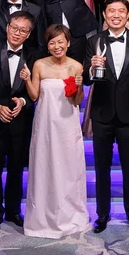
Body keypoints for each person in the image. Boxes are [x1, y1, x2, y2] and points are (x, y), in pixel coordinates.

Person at [84, 0, 129, 233]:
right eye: (111, 11)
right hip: (102, 114)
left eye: (120, 11)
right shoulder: (93, 40)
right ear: (104, 15)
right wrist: (92, 68)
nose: (115, 15)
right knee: (101, 168)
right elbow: (85, 78)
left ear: (127, 15)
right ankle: (102, 214)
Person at [23, 24, 90, 237]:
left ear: (68, 43)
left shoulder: (77, 66)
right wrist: (26, 79)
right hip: (44, 124)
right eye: (52, 42)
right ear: (47, 45)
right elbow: (34, 96)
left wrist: (79, 86)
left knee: (69, 170)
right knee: (44, 168)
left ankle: (70, 215)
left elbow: (78, 100)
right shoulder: (40, 65)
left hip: (68, 125)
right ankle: (43, 218)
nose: (57, 46)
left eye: (61, 41)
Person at [0, 11, 38, 234]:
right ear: (7, 27)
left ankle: (13, 210)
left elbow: (36, 92)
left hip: (20, 123)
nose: (17, 33)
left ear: (29, 34)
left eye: (23, 30)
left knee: (16, 170)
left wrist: (23, 101)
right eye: (15, 28)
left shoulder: (34, 54)